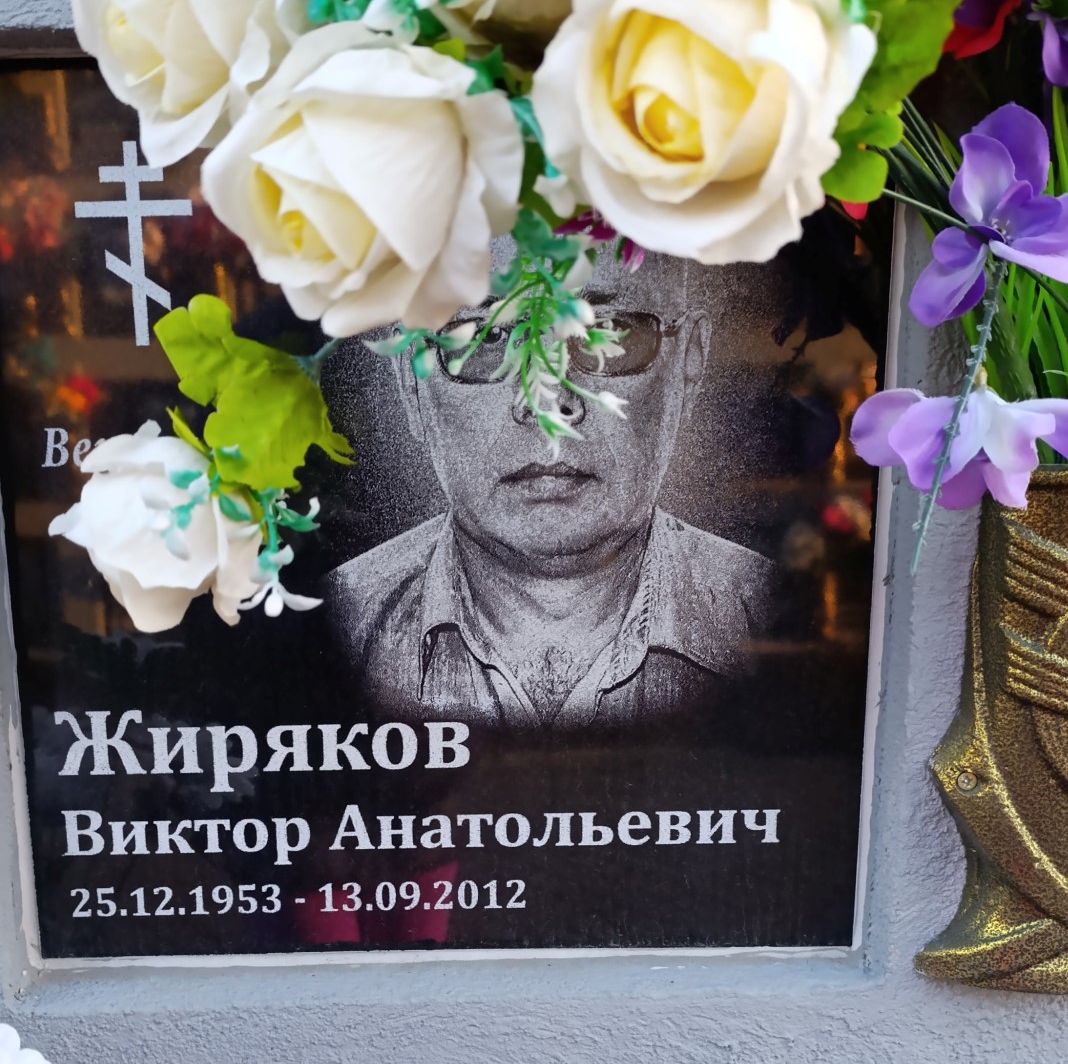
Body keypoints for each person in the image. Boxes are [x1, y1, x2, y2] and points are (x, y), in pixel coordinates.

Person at [324, 255, 775, 730]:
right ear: (410, 384)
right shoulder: (325, 627)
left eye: (604, 330)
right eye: (486, 336)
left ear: (688, 363)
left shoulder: (780, 615)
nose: (546, 400)